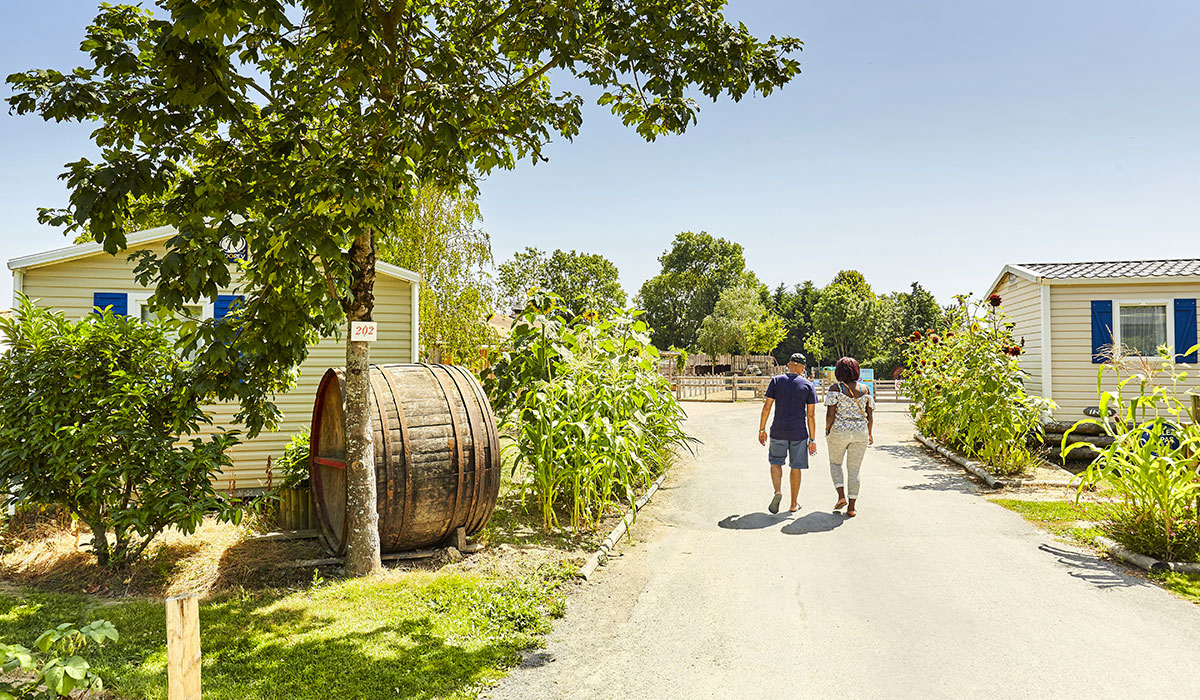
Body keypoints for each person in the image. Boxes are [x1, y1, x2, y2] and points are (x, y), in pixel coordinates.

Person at [757, 352, 818, 513]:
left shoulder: (776, 381)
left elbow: (767, 408)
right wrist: (812, 439)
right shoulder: (808, 385)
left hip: (778, 431)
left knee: (776, 462)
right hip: (799, 433)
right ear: (803, 368)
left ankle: (777, 491)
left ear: (789, 365)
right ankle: (793, 504)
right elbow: (811, 415)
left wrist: (762, 429)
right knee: (795, 467)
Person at [823, 357, 874, 518]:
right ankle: (852, 508)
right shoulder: (866, 389)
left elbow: (830, 414)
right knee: (854, 469)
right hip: (860, 432)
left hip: (839, 431)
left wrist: (827, 429)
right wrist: (870, 433)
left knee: (835, 463)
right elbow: (870, 415)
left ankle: (841, 496)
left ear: (839, 371)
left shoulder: (835, 388)